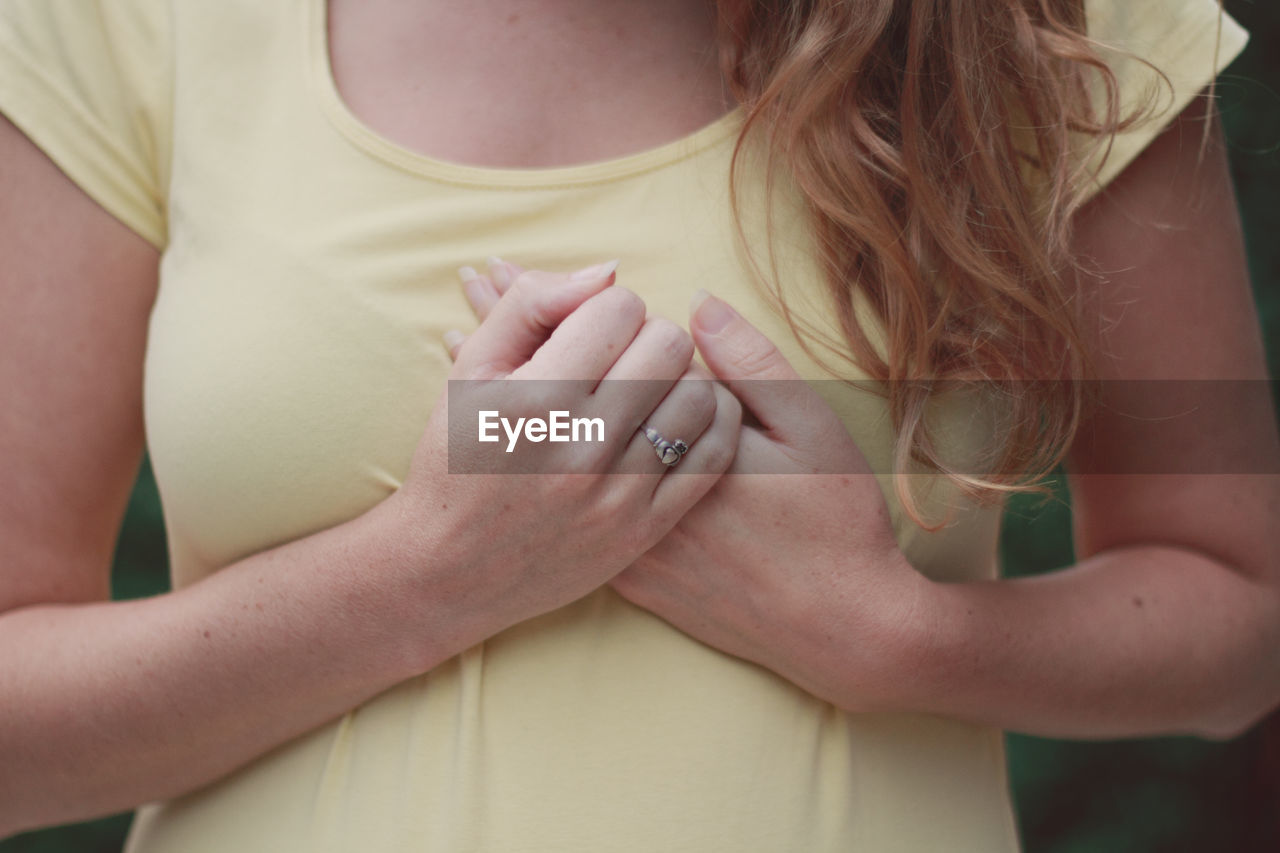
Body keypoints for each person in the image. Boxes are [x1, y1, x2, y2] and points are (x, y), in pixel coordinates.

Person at [0, 0, 1276, 850]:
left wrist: (890, 634)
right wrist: (426, 574)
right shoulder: (115, 23)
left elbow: (1242, 606)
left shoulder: (1057, 24)